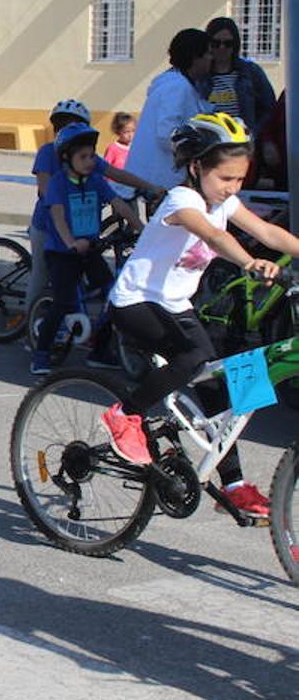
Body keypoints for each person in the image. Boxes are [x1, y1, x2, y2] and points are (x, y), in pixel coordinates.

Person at [104, 113, 299, 518]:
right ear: (196, 167)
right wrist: (250, 263)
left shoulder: (223, 201)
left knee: (217, 384)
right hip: (136, 303)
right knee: (192, 358)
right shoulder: (183, 201)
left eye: (240, 179)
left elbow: (269, 234)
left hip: (176, 306)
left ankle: (234, 485)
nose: (232, 187)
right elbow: (213, 236)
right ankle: (126, 415)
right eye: (225, 178)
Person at [26, 100, 161, 321]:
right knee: (41, 277)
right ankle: (29, 326)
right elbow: (45, 190)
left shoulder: (85, 157)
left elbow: (117, 175)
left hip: (82, 230)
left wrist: (149, 186)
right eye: (64, 125)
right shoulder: (48, 152)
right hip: (48, 227)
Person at [29, 122, 143, 375]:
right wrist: (70, 242)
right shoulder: (59, 183)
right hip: (62, 251)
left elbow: (119, 204)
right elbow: (57, 217)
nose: (91, 161)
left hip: (90, 249)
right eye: (84, 157)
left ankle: (100, 351)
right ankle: (41, 354)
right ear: (67, 159)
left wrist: (142, 230)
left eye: (92, 155)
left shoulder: (94, 181)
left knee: (114, 296)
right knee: (61, 302)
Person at [124, 29, 212, 192]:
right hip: (158, 182)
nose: (211, 58)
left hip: (156, 181)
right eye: (207, 53)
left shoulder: (179, 85)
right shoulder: (177, 87)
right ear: (195, 57)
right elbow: (167, 134)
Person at [199, 16, 277, 133]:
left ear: (235, 45)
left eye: (228, 43)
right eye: (216, 43)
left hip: (242, 143)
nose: (222, 48)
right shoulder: (200, 74)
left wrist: (254, 133)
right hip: (209, 143)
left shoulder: (251, 71)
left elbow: (269, 109)